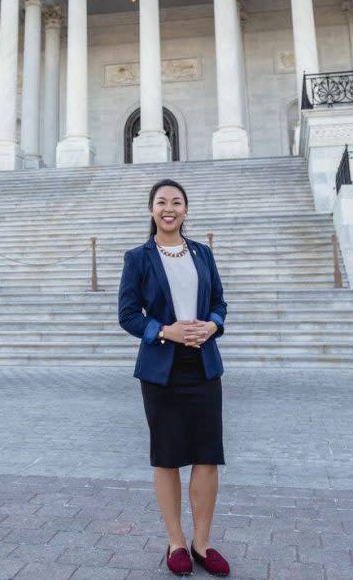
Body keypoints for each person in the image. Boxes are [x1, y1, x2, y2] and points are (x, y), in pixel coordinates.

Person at [118, 179, 230, 577]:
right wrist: (166, 331)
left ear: (186, 209)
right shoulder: (138, 258)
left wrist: (212, 327)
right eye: (162, 202)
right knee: (166, 456)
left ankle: (202, 541)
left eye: (177, 202)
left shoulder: (202, 252)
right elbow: (128, 315)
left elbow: (218, 301)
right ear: (151, 210)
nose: (169, 208)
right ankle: (176, 542)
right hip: (161, 369)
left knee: (207, 455)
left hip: (203, 365)